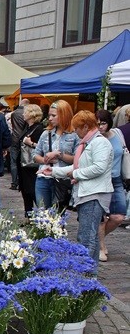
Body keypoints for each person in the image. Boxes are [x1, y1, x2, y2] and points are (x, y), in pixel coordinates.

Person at [44, 111, 113, 267]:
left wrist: (75, 174)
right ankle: (90, 273)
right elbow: (78, 166)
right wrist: (53, 171)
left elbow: (98, 168)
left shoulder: (99, 143)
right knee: (90, 236)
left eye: (77, 128)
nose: (75, 131)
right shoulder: (87, 143)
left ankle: (86, 273)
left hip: (94, 194)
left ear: (86, 126)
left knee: (86, 237)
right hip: (87, 193)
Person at [33, 100, 79, 210]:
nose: (50, 118)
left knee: (58, 214)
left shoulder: (74, 135)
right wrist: (46, 159)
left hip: (62, 179)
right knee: (42, 213)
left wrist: (59, 155)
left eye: (54, 115)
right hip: (43, 178)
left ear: (64, 115)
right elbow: (35, 155)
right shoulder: (46, 133)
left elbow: (77, 160)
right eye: (49, 115)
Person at [95, 109, 126, 262]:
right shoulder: (94, 138)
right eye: (98, 124)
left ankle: (95, 240)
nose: (100, 127)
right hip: (101, 179)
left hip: (117, 179)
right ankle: (100, 247)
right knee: (102, 217)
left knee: (119, 216)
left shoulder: (117, 134)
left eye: (103, 123)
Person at [16, 104, 45, 218]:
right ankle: (28, 216)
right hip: (24, 165)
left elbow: (43, 148)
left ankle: (40, 216)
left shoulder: (39, 129)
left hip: (31, 166)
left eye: (25, 112)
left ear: (32, 114)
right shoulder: (27, 127)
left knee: (32, 191)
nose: (23, 114)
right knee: (25, 191)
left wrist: (31, 143)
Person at [8, 98, 31, 190]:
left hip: (14, 138)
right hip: (24, 139)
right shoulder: (27, 114)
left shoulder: (14, 113)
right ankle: (22, 182)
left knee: (13, 161)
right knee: (24, 161)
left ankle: (14, 182)